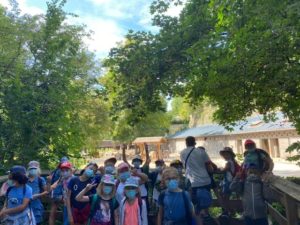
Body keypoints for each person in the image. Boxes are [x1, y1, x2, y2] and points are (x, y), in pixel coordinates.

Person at [180, 136, 213, 220]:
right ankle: (206, 215)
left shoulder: (182, 153)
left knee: (193, 204)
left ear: (186, 143)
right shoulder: (201, 152)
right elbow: (209, 166)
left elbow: (185, 166)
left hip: (191, 181)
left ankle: (195, 218)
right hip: (205, 180)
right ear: (195, 143)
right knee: (205, 200)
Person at [48, 156, 69, 225]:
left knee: (53, 212)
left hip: (55, 194)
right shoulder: (64, 171)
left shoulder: (55, 171)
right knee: (67, 210)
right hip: (61, 194)